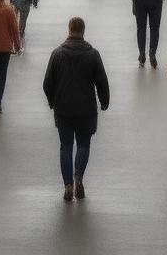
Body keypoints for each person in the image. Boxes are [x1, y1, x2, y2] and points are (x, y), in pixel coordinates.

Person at [43, 17, 110, 203]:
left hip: (63, 109)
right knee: (83, 145)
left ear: (69, 30)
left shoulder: (57, 53)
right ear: (83, 31)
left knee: (65, 146)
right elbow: (102, 81)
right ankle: (78, 176)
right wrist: (104, 101)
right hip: (86, 109)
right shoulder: (93, 54)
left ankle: (67, 185)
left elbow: (47, 83)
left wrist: (52, 101)